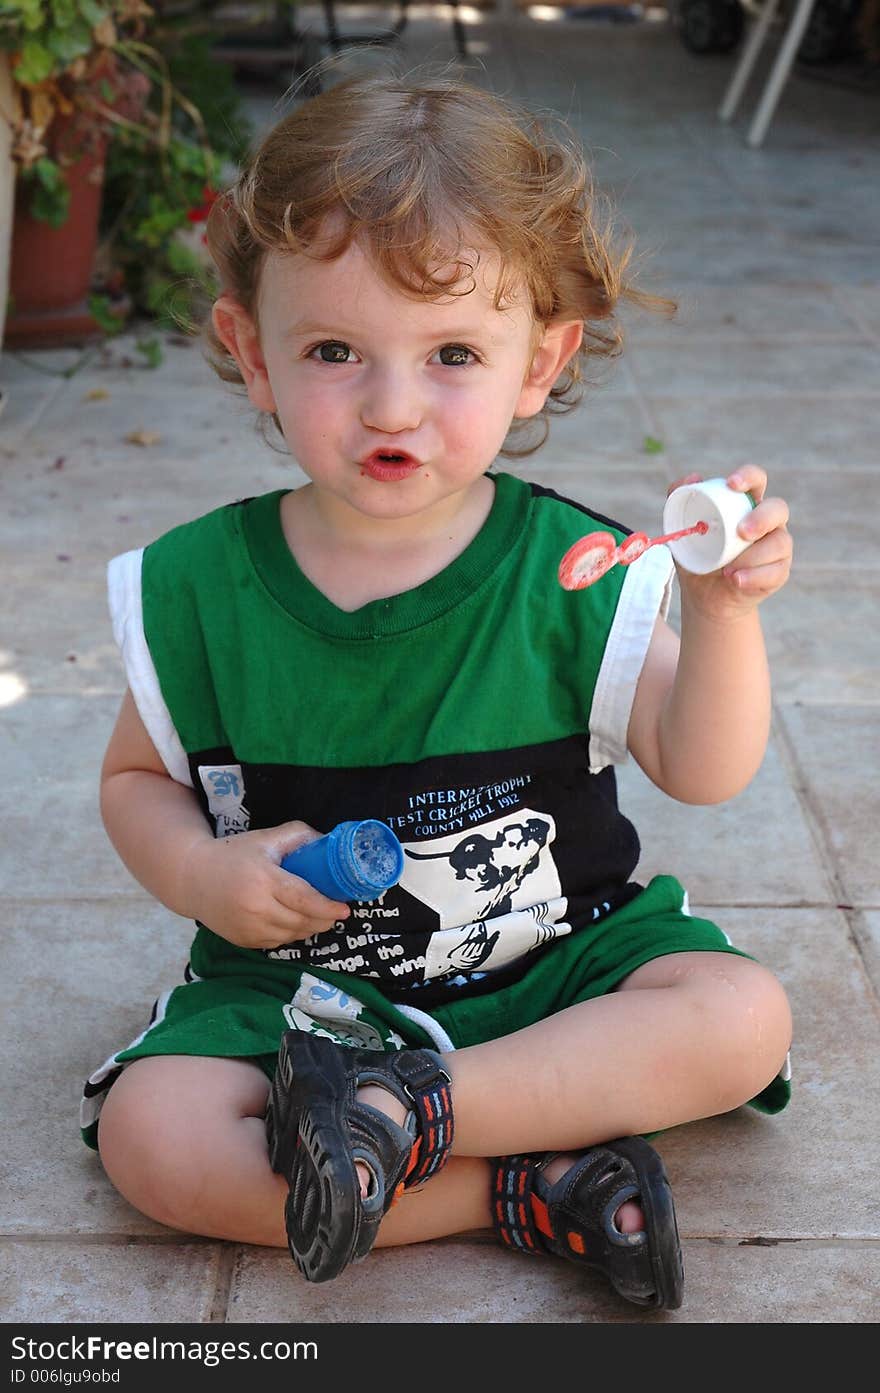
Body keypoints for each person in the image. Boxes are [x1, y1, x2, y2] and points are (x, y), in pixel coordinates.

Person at [82, 71, 794, 1313]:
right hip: (306, 996)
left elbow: (706, 764)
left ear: (541, 361)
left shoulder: (569, 574)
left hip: (556, 968)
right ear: (253, 352)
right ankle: (528, 1183)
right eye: (334, 350)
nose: (392, 403)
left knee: (741, 1016)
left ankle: (415, 1115)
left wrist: (723, 615)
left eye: (454, 351)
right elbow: (137, 781)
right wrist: (204, 877)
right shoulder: (199, 589)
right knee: (156, 1138)